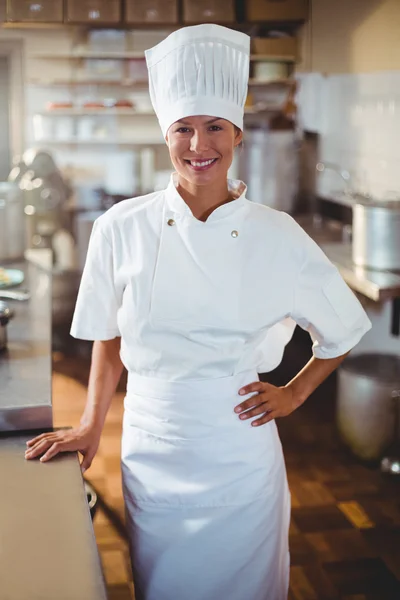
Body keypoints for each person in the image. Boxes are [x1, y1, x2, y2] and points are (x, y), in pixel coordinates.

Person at [25, 24, 371, 600]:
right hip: (153, 442)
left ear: (236, 133)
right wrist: (90, 424)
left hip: (239, 450)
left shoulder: (275, 234)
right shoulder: (120, 227)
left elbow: (340, 331)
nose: (198, 144)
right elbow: (107, 337)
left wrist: (293, 393)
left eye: (214, 127)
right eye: (183, 128)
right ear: (166, 135)